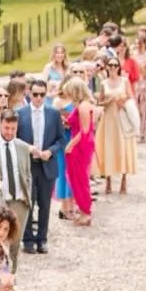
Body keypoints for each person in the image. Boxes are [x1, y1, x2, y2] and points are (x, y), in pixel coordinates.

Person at [17, 76, 66, 255]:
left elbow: (61, 139)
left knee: (45, 204)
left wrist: (50, 151)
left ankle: (42, 239)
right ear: (29, 93)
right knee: (28, 202)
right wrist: (28, 148)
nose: (38, 98)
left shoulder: (53, 114)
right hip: (28, 164)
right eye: (35, 94)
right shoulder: (21, 113)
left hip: (47, 164)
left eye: (42, 95)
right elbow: (15, 139)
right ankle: (27, 239)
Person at [0, 110, 34, 274]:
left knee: (15, 243)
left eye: (13, 129)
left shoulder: (22, 147)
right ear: (0, 124)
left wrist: (26, 198)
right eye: (6, 128)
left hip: (19, 202)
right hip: (1, 201)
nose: (9, 132)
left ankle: (11, 280)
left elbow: (27, 174)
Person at [95, 49, 136, 194]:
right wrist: (108, 101)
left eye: (115, 65)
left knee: (123, 147)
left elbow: (131, 97)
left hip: (121, 117)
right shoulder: (104, 83)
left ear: (119, 67)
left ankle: (124, 180)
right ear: (107, 67)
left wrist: (121, 101)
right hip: (108, 119)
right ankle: (108, 181)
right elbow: (99, 102)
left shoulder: (124, 81)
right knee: (108, 148)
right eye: (110, 65)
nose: (112, 68)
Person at [60, 74, 98, 225]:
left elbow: (85, 130)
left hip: (80, 146)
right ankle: (83, 210)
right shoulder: (83, 105)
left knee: (80, 179)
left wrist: (71, 145)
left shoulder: (83, 106)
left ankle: (85, 213)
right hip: (81, 144)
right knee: (77, 179)